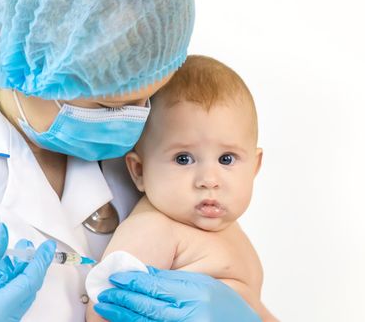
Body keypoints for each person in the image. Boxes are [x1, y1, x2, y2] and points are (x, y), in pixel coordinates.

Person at [0, 0, 266, 321]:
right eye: (109, 106)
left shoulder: (172, 150)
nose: (135, 120)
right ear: (22, 54)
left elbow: (222, 276)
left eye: (147, 96)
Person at [86, 55, 278, 321]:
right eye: (183, 159)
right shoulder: (153, 230)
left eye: (226, 159)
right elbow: (102, 312)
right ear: (139, 171)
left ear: (254, 167)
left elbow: (253, 309)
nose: (209, 180)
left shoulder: (227, 228)